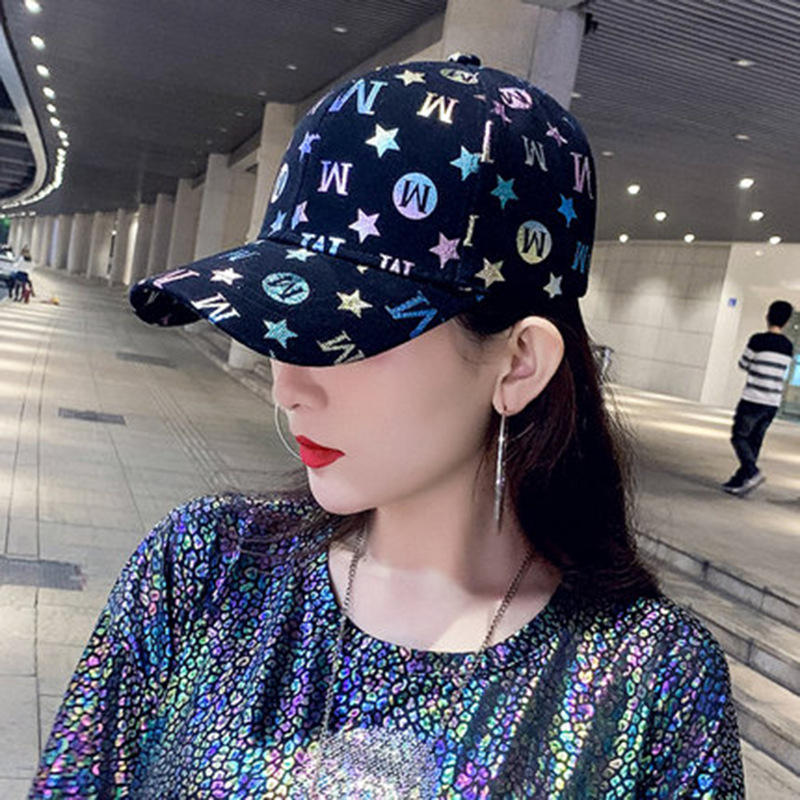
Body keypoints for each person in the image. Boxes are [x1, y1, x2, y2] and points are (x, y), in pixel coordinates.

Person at [30, 55, 744, 798]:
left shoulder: (648, 683)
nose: (288, 386)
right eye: (282, 326)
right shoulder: (204, 569)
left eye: (346, 338)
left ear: (519, 364)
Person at [723, 300, 794, 496]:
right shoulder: (788, 346)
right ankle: (740, 480)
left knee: (739, 436)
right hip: (773, 402)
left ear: (768, 316)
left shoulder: (757, 340)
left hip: (753, 399)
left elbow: (744, 364)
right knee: (755, 441)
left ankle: (752, 472)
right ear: (787, 322)